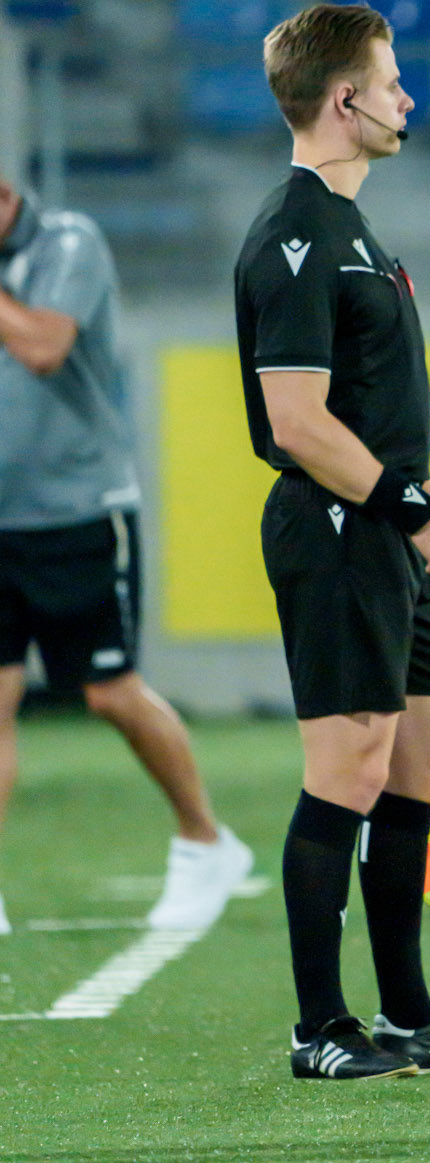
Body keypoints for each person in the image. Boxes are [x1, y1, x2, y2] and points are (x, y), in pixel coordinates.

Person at [233, 2, 430, 1081]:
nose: (408, 97)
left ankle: (405, 1014)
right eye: (393, 81)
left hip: (387, 534)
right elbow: (299, 422)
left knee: (424, 759)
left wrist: (423, 515)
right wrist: (409, 510)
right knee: (345, 770)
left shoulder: (353, 229)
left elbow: (370, 408)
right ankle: (319, 1028)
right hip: (339, 529)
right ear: (345, 100)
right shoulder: (295, 234)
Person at [0, 175, 251, 937]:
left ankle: (206, 840)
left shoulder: (67, 242)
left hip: (77, 512)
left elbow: (45, 346)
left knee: (109, 692)